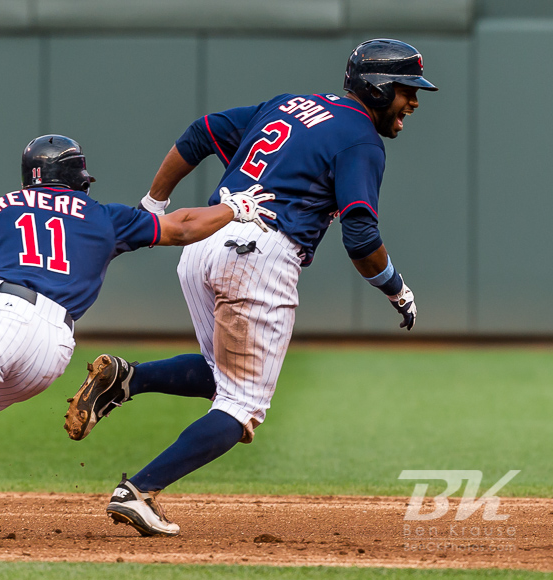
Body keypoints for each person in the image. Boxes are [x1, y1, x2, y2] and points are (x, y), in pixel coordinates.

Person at [63, 39, 437, 537]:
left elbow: (202, 133)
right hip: (259, 254)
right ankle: (141, 491)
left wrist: (154, 203)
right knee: (241, 407)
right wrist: (396, 288)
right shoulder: (360, 139)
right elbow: (361, 237)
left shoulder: (287, 105)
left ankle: (126, 379)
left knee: (222, 375)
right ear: (377, 87)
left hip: (203, 243)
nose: (413, 101)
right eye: (407, 89)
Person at [0, 134, 274, 539]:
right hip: (52, 350)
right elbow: (182, 226)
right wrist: (234, 209)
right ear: (77, 180)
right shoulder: (105, 216)